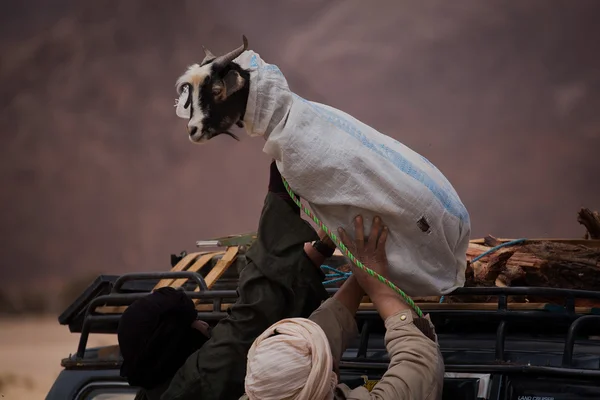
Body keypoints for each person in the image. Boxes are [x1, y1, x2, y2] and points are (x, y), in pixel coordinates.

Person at [120, 160, 336, 400]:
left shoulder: (153, 394)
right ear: (173, 343)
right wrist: (280, 194)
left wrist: (311, 260)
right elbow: (252, 318)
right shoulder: (195, 385)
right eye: (194, 322)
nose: (205, 326)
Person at [242, 215, 445, 399]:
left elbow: (305, 352)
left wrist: (363, 274)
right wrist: (377, 284)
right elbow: (420, 362)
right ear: (333, 377)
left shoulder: (260, 392)